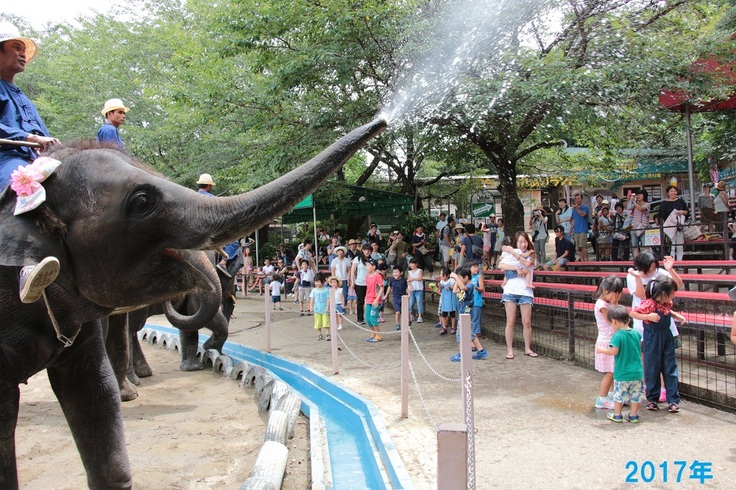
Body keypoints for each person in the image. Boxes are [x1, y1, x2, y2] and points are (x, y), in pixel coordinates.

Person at [0, 23, 62, 304]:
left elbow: (41, 132)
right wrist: (28, 137)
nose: (23, 54)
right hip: (6, 159)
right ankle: (26, 264)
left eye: (24, 49)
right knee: (25, 186)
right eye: (16, 47)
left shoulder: (22, 96)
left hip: (30, 159)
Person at [629, 276, 687, 413]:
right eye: (672, 293)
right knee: (652, 367)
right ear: (662, 293)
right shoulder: (648, 304)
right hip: (652, 338)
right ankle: (652, 399)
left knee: (670, 367)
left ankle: (673, 400)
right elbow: (633, 313)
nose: (673, 295)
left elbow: (667, 312)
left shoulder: (666, 304)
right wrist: (647, 317)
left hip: (666, 337)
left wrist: (677, 316)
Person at [595, 305, 644, 423]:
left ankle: (617, 415)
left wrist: (602, 350)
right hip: (637, 372)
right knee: (635, 395)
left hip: (622, 372)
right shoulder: (636, 333)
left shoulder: (617, 336)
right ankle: (633, 415)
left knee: (618, 395)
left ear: (615, 321)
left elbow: (614, 351)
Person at [499, 231, 537, 359]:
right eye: (520, 242)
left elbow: (527, 264)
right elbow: (501, 265)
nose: (523, 244)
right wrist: (515, 267)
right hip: (510, 290)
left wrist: (514, 253)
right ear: (516, 243)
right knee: (510, 321)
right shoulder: (510, 254)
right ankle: (510, 350)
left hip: (525, 292)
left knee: (527, 322)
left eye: (525, 241)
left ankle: (527, 348)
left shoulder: (530, 254)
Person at [593, 275, 624, 410]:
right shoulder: (602, 305)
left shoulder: (608, 304)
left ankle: (612, 394)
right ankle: (602, 398)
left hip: (611, 341)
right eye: (614, 293)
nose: (615, 297)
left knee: (613, 370)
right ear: (605, 290)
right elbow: (614, 322)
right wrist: (616, 304)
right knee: (610, 372)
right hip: (606, 342)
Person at [449, 266, 487, 361]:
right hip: (463, 313)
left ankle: (462, 354)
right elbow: (455, 291)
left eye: (461, 278)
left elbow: (463, 287)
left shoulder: (470, 286)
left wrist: (455, 277)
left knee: (459, 335)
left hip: (465, 314)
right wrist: (457, 279)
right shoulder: (465, 287)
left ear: (466, 278)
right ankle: (481, 351)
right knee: (470, 334)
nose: (459, 280)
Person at [658, 185, 688, 261]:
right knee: (672, 245)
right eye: (671, 191)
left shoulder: (680, 201)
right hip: (669, 227)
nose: (673, 193)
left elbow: (687, 211)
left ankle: (680, 263)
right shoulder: (664, 203)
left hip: (679, 226)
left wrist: (682, 212)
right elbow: (661, 215)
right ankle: (671, 263)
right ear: (668, 193)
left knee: (679, 245)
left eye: (675, 191)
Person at [349, 244, 372, 325]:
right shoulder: (357, 259)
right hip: (359, 283)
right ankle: (360, 318)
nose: (368, 252)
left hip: (370, 283)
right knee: (360, 301)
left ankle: (370, 317)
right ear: (363, 250)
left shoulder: (371, 260)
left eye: (370, 251)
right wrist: (352, 282)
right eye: (367, 250)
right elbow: (352, 271)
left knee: (370, 301)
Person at [364, 258, 384, 342]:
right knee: (367, 318)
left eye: (368, 265)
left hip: (375, 300)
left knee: (373, 318)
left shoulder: (378, 276)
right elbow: (367, 289)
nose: (367, 267)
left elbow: (381, 288)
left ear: (374, 267)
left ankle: (378, 335)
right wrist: (365, 300)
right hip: (368, 299)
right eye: (366, 265)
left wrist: (377, 299)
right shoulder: (367, 276)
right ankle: (373, 333)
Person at [385, 266, 408, 331]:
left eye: (396, 272)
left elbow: (406, 288)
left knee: (405, 312)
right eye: (394, 272)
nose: (395, 273)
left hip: (403, 298)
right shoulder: (392, 280)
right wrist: (386, 295)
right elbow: (389, 287)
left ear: (401, 273)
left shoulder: (403, 280)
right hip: (395, 297)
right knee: (397, 311)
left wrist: (409, 294)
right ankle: (397, 324)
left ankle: (407, 322)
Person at [628, 189, 650, 257]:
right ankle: (636, 260)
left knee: (645, 245)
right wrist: (630, 200)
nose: (638, 196)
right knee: (635, 245)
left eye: (640, 194)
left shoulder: (647, 204)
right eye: (637, 195)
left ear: (644, 196)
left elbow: (641, 208)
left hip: (643, 226)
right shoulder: (634, 204)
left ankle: (647, 259)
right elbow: (628, 208)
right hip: (634, 226)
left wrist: (634, 202)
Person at [309, 273, 331, 341]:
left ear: (323, 281)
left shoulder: (326, 290)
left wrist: (328, 306)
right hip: (317, 310)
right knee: (317, 323)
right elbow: (312, 299)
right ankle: (319, 334)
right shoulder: (314, 290)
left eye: (318, 281)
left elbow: (328, 298)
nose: (317, 283)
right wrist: (311, 306)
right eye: (316, 281)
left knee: (326, 322)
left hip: (324, 309)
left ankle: (327, 334)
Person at [570, 193, 590, 261]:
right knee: (577, 247)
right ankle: (581, 260)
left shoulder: (585, 207)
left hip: (583, 230)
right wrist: (571, 230)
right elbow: (573, 220)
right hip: (576, 231)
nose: (577, 200)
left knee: (583, 246)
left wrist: (577, 209)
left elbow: (583, 214)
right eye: (576, 199)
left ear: (581, 199)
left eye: (579, 199)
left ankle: (586, 261)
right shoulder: (573, 210)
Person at [437, 267, 457, 336]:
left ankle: (453, 327)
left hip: (451, 299)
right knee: (443, 314)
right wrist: (439, 287)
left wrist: (450, 287)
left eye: (443, 274)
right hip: (444, 299)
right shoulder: (441, 281)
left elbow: (455, 288)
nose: (441, 276)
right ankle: (444, 327)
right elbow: (440, 291)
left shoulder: (451, 280)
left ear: (448, 275)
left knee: (452, 314)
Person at [406, 257, 424, 323]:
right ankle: (411, 314)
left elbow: (420, 278)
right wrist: (410, 287)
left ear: (416, 264)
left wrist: (412, 279)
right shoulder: (409, 272)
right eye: (410, 264)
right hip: (412, 290)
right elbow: (408, 280)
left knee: (419, 303)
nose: (411, 265)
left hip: (418, 289)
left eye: (412, 264)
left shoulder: (419, 270)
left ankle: (420, 316)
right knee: (410, 303)